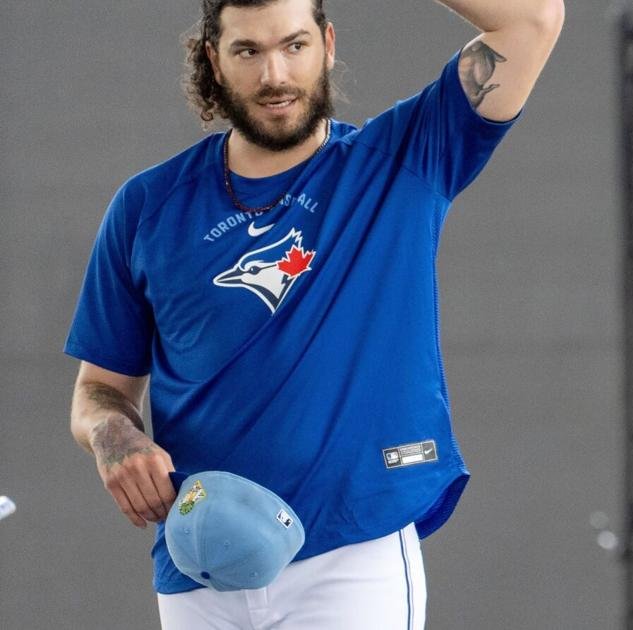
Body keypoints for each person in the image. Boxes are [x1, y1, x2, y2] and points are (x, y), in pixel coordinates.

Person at [64, 0, 562, 627]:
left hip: (349, 559)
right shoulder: (147, 206)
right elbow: (99, 392)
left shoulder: (403, 161)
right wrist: (114, 437)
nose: (275, 74)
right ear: (213, 61)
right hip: (197, 566)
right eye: (248, 51)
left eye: (293, 45)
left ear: (327, 44)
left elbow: (534, 19)